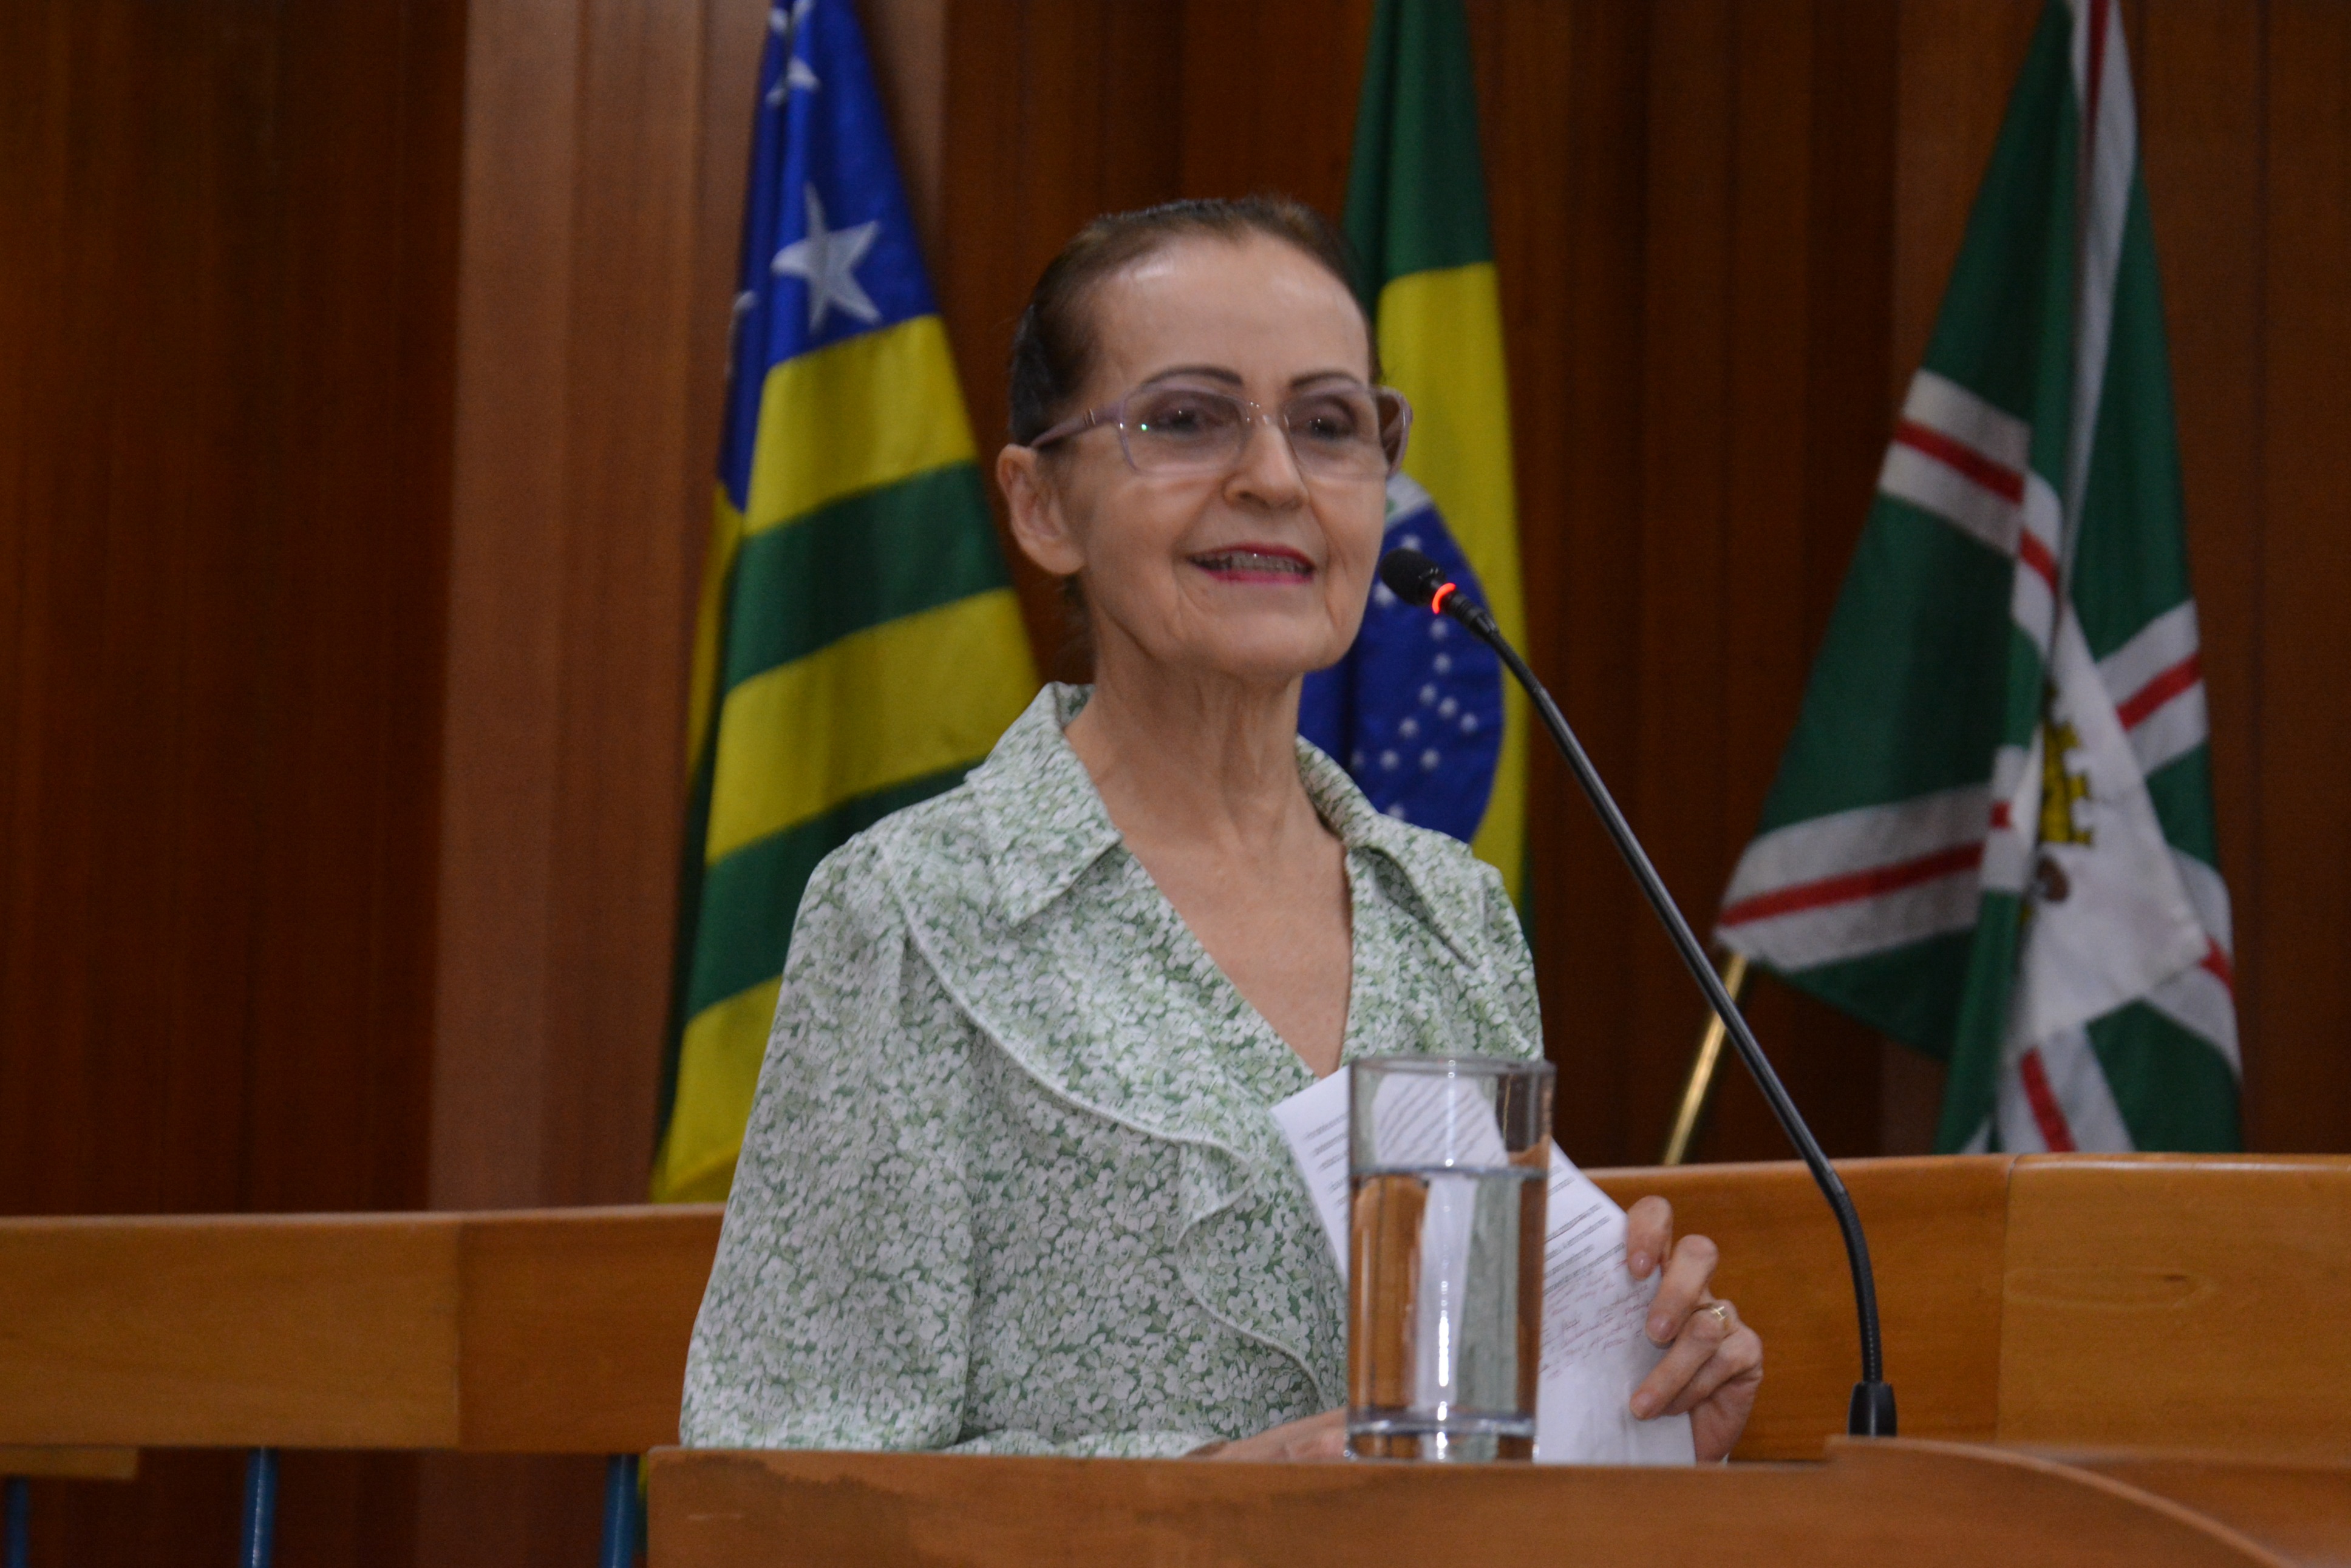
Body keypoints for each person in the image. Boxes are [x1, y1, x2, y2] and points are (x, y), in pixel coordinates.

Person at [681, 196, 1763, 1462]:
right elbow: (780, 1484)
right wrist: (1213, 1500)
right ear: (1041, 506)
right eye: (1187, 420)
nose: (1274, 478)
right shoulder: (913, 910)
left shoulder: (1452, 916)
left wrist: (1636, 1419)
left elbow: (1466, 1462)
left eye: (1329, 425)